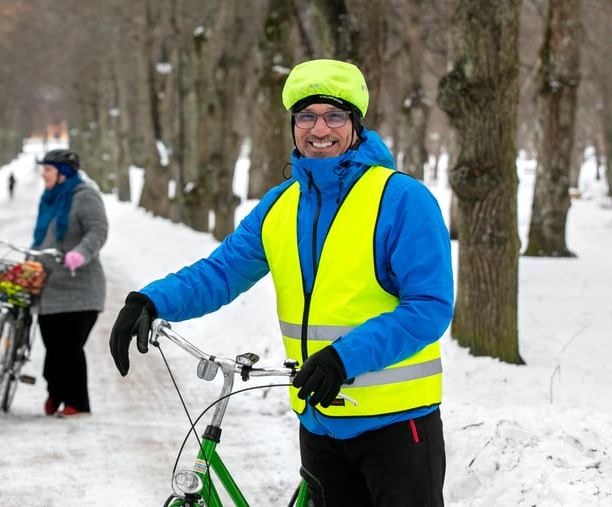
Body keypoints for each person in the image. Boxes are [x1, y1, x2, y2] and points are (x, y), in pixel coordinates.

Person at [109, 59, 453, 507]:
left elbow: (428, 307)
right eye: (306, 116)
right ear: (293, 126)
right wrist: (151, 301)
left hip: (396, 428)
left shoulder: (402, 200)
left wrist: (342, 358)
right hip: (319, 423)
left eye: (334, 115)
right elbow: (223, 270)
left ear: (355, 124)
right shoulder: (281, 204)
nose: (318, 129)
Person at [34, 149, 108, 418]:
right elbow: (45, 237)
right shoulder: (50, 199)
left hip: (82, 289)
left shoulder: (85, 196)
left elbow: (98, 230)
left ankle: (77, 402)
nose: (43, 174)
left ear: (63, 173)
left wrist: (81, 253)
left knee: (69, 348)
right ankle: (56, 391)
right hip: (51, 287)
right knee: (53, 348)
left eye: (48, 170)